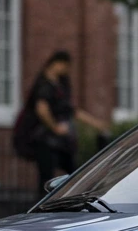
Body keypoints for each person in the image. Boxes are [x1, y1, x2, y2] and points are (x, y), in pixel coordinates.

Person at [15, 51, 111, 193]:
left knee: (73, 172)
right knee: (48, 176)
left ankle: (77, 195)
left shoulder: (60, 85)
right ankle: (45, 203)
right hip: (45, 139)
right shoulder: (44, 85)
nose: (67, 70)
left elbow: (71, 110)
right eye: (66, 66)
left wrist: (95, 123)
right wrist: (55, 127)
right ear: (56, 64)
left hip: (59, 141)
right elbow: (42, 109)